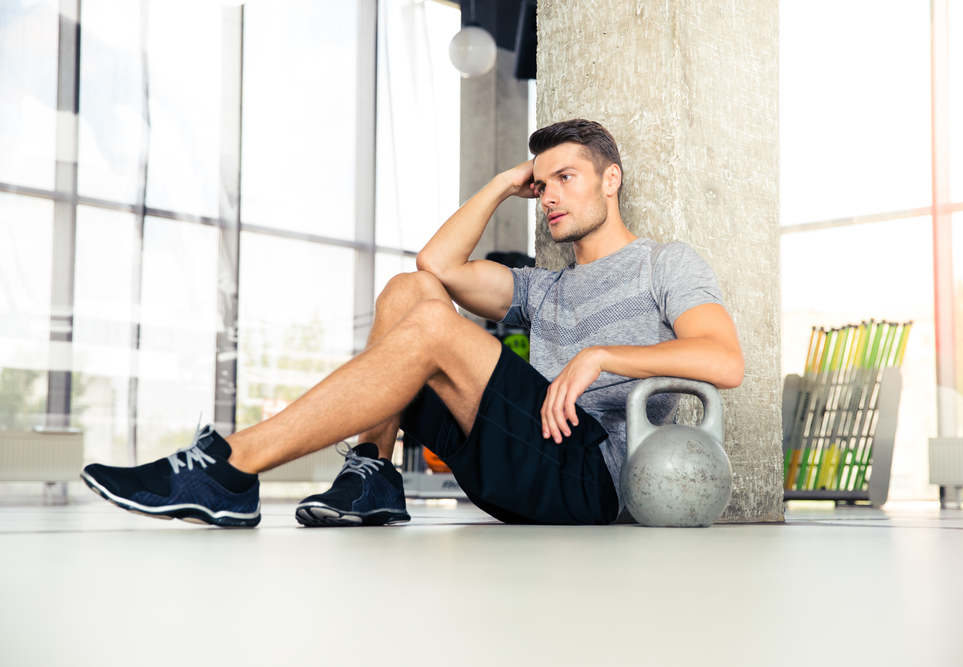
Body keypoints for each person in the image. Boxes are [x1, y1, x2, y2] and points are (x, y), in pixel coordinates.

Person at [80, 119, 744, 528]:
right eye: (542, 188)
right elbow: (437, 263)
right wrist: (504, 182)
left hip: (590, 478)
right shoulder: (545, 289)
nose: (550, 198)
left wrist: (602, 355)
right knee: (411, 289)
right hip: (519, 459)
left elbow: (725, 360)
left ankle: (231, 466)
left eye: (566, 178)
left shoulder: (663, 263)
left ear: (611, 180)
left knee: (432, 327)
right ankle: (371, 472)